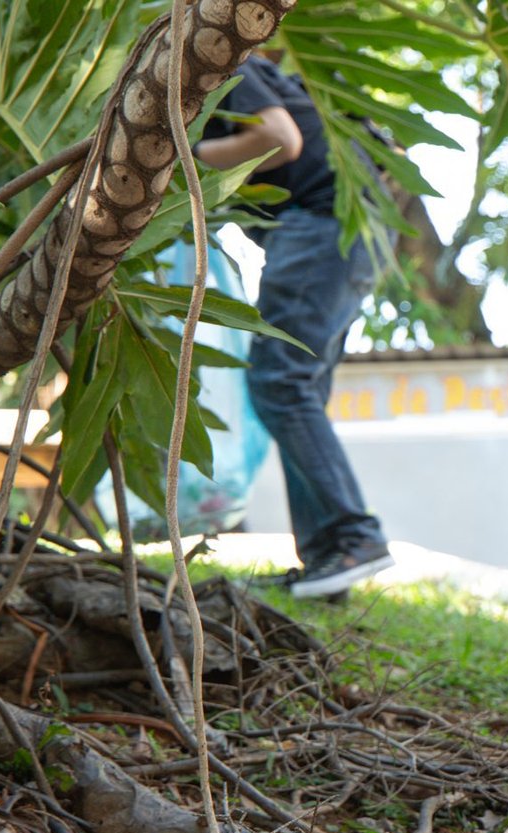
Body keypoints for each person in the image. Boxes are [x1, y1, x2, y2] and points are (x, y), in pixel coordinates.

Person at [194, 55, 392, 598]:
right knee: (298, 390)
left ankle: (354, 536)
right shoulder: (287, 82)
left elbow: (280, 139)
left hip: (324, 223)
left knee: (280, 382)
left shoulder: (220, 62)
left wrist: (189, 158)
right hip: (357, 228)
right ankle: (331, 563)